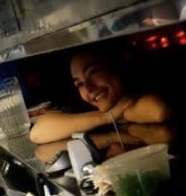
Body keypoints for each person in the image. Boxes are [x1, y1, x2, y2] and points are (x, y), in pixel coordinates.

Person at [29, 46, 173, 145]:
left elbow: (158, 110)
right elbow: (37, 133)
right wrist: (107, 118)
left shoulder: (140, 86)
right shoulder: (85, 105)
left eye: (93, 72)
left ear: (116, 66)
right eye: (79, 84)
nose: (88, 88)